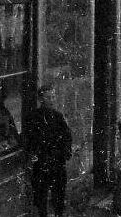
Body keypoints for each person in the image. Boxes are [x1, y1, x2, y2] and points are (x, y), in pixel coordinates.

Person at [25, 85, 72, 217]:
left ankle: (58, 214)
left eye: (53, 97)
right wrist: (33, 155)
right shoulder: (33, 117)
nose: (51, 100)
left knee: (59, 194)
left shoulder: (58, 117)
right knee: (41, 196)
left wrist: (65, 152)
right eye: (48, 97)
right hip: (41, 163)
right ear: (41, 99)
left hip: (57, 162)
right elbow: (29, 140)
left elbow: (67, 136)